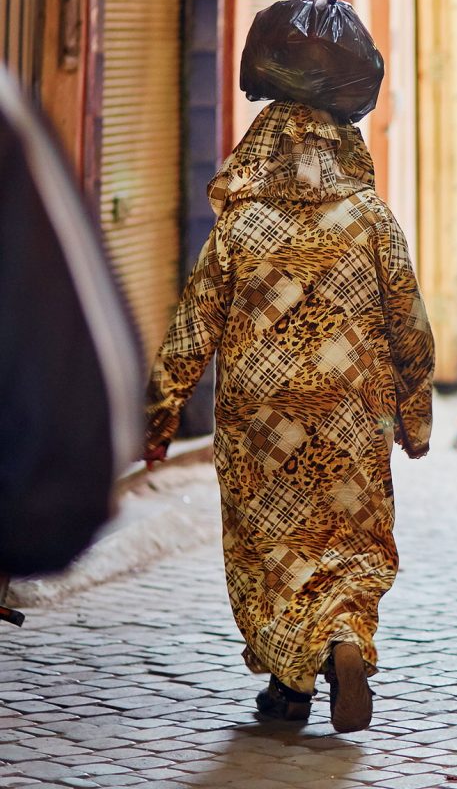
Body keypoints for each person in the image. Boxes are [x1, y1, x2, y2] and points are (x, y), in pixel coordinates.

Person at [143, 100, 435, 733]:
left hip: (261, 425)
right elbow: (410, 327)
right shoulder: (372, 222)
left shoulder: (241, 229)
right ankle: (344, 639)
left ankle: (289, 687)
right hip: (352, 414)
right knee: (348, 541)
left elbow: (193, 330)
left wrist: (158, 417)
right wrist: (416, 415)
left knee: (273, 550)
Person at [0, 67, 142, 579]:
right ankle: (337, 620)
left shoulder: (241, 202)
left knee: (268, 531)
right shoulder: (365, 208)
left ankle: (295, 631)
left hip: (262, 410)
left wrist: (169, 410)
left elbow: (202, 311)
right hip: (343, 402)